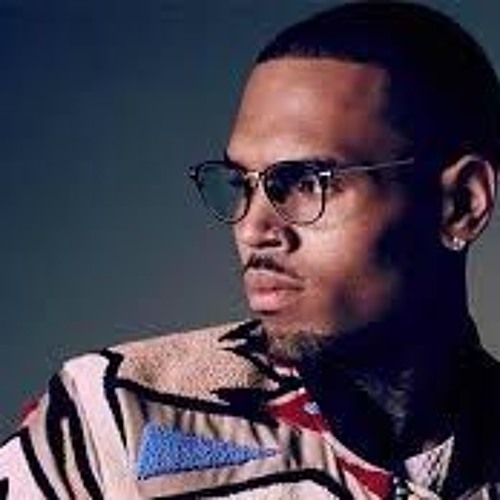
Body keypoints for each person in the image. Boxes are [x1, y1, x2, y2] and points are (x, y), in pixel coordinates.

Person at [1, 1, 500, 498]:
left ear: (462, 204)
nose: (252, 226)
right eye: (242, 183)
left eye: (307, 181)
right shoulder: (114, 422)